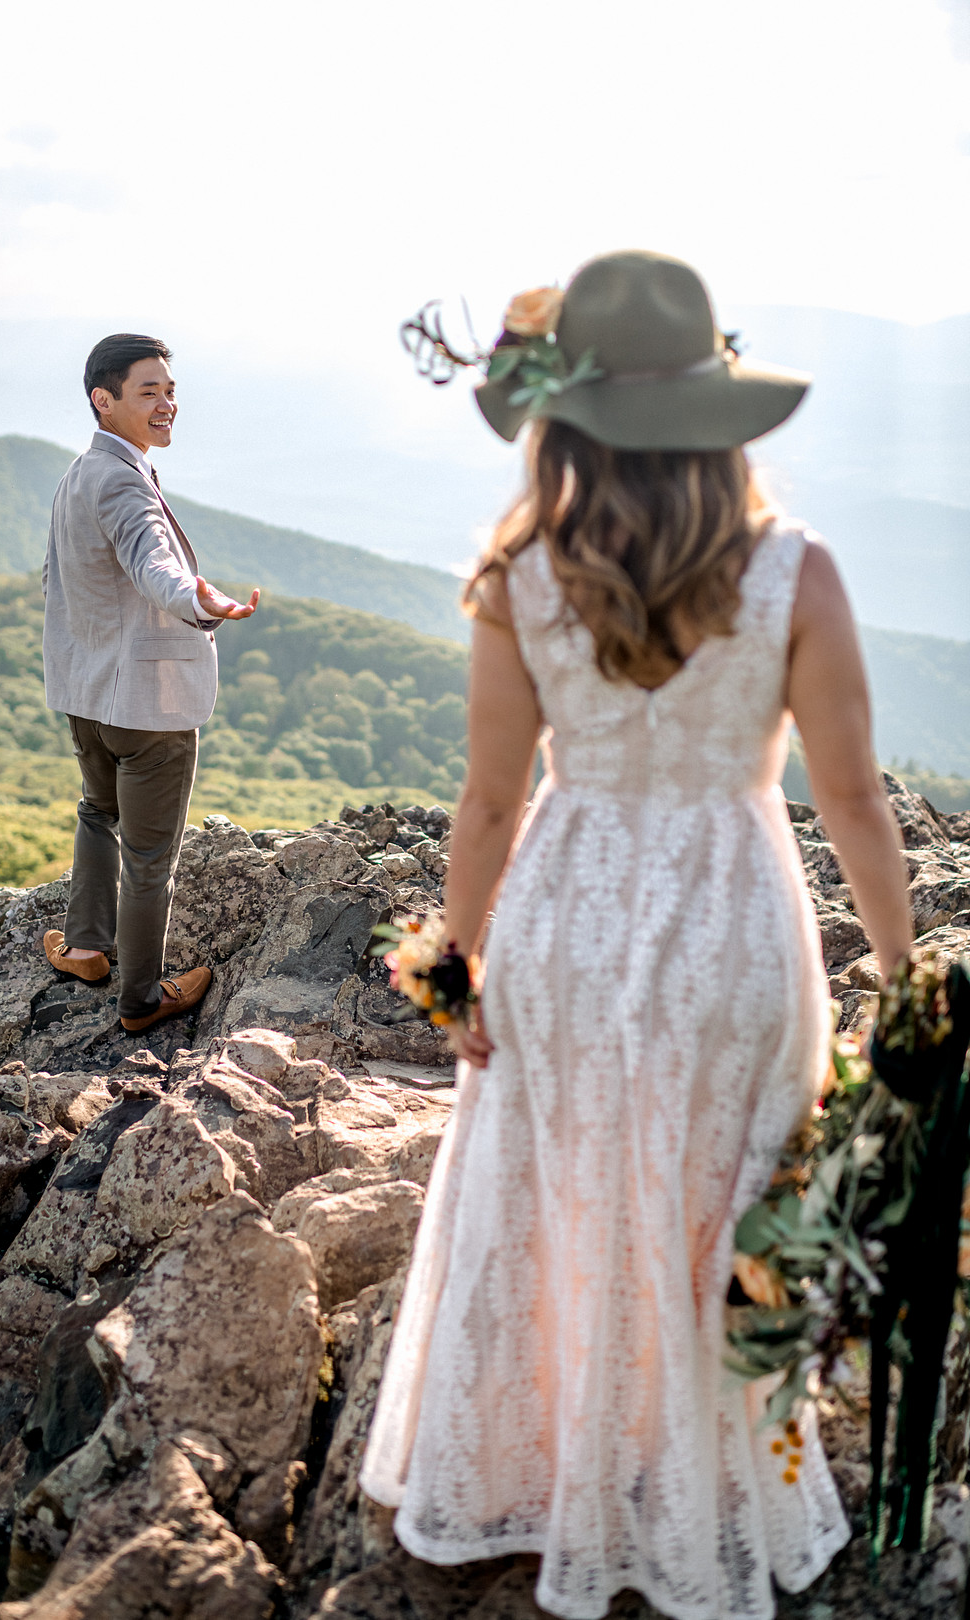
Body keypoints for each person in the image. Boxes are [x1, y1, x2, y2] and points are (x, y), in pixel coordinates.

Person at [360, 251, 913, 1620]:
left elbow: (491, 799)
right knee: (723, 1202)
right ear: (721, 424)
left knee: (556, 1190)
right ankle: (699, 1489)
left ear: (564, 423)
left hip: (565, 912)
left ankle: (539, 1470)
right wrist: (910, 982)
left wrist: (459, 969)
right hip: (735, 919)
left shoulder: (520, 574)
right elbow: (847, 794)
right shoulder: (797, 570)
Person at [40, 333, 259, 1034]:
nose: (167, 403)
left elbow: (64, 581)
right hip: (145, 708)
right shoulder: (123, 482)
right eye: (149, 392)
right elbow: (152, 563)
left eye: (169, 390)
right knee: (149, 857)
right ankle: (139, 1000)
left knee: (97, 811)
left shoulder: (78, 474)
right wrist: (202, 602)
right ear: (104, 402)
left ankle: (83, 948)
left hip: (86, 694)